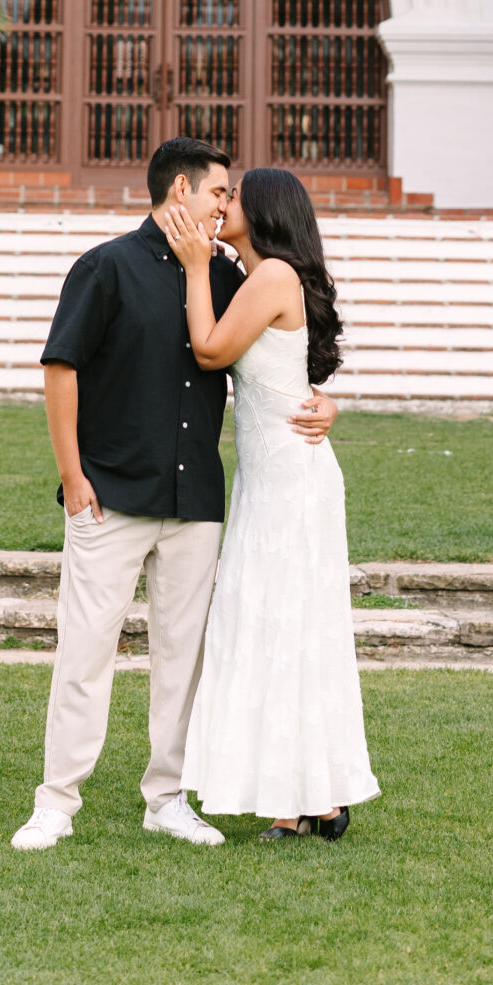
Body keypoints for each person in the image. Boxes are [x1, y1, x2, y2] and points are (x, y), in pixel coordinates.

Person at [11, 138, 337, 852]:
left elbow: (268, 353)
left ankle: (166, 798)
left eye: (231, 198)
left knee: (184, 660)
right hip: (110, 493)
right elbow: (60, 368)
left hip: (196, 501)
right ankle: (56, 802)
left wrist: (321, 402)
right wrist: (71, 478)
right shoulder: (104, 267)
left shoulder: (224, 275)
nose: (225, 205)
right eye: (219, 193)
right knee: (85, 653)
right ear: (181, 190)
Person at [167, 165, 379, 841]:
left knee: (285, 626)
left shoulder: (273, 276)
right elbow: (290, 375)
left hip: (289, 479)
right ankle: (307, 797)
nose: (222, 203)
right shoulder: (262, 276)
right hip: (272, 474)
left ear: (262, 211)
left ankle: (306, 799)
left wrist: (197, 266)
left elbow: (208, 351)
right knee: (277, 627)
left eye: (233, 197)